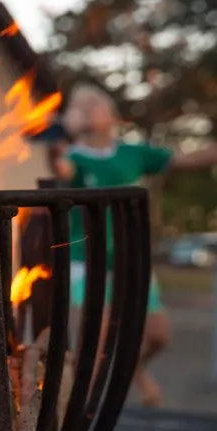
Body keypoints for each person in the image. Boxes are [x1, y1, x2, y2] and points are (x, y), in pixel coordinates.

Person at [51, 83, 217, 407]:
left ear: (112, 115)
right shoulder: (73, 158)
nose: (84, 108)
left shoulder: (134, 153)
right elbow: (62, 171)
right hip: (87, 259)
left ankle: (133, 370)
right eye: (78, 105)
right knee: (97, 340)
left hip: (132, 258)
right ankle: (77, 413)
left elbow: (189, 158)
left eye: (93, 103)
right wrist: (56, 154)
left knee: (158, 335)